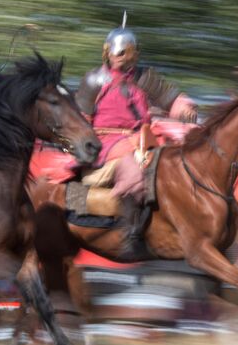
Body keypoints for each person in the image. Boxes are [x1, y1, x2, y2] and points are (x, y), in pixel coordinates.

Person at [75, 13, 197, 240]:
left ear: (133, 53)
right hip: (106, 143)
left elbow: (171, 100)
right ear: (107, 51)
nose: (119, 56)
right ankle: (130, 234)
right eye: (116, 52)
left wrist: (186, 109)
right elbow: (80, 118)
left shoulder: (144, 77)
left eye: (124, 52)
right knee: (132, 172)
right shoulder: (94, 79)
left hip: (143, 139)